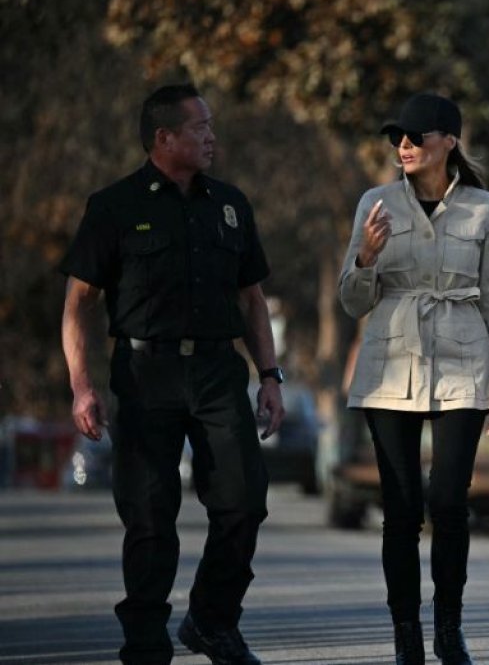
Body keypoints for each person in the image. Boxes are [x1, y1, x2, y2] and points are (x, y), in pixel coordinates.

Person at [60, 83, 284, 665]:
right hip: (144, 372)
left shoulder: (231, 204)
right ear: (164, 138)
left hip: (216, 371)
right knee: (150, 517)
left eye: (211, 125)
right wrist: (82, 386)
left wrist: (270, 376)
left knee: (244, 501)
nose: (212, 137)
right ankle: (145, 643)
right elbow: (78, 302)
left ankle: (212, 620)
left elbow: (253, 299)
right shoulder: (114, 206)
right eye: (200, 127)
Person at [339, 92, 489, 665]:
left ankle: (449, 627)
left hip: (463, 365)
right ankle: (406, 633)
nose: (405, 146)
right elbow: (350, 302)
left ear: (448, 141)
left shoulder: (483, 208)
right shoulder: (375, 203)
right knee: (400, 509)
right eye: (399, 137)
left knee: (446, 502)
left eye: (417, 137)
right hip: (390, 365)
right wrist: (366, 259)